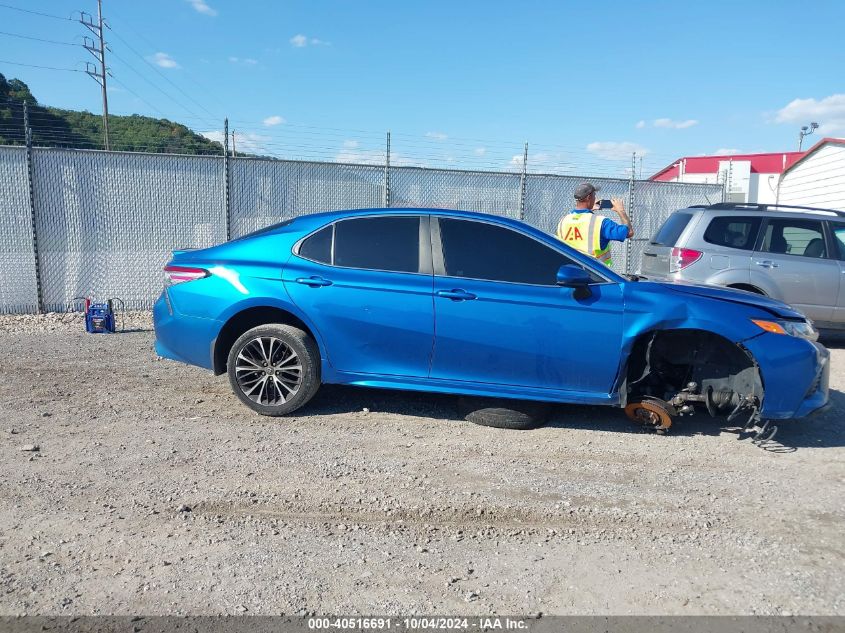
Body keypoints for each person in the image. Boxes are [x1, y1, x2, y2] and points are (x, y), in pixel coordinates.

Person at [555, 182, 633, 267]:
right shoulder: (601, 222)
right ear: (589, 197)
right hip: (596, 275)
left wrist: (589, 209)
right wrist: (621, 211)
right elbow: (629, 232)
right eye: (594, 195)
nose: (595, 198)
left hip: (570, 272)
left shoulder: (563, 221)